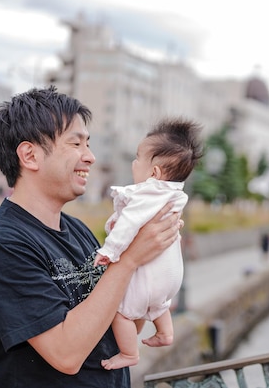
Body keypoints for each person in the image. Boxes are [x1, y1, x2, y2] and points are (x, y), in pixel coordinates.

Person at [0, 86, 181, 388]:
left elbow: (121, 322)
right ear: (30, 155)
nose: (90, 157)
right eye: (75, 143)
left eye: (88, 144)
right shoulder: (2, 242)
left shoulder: (77, 230)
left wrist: (154, 266)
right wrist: (129, 260)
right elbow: (66, 354)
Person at [94, 117, 203, 370]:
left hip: (149, 274)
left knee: (120, 311)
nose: (133, 163)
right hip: (170, 274)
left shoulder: (146, 193)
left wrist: (109, 250)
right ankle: (166, 333)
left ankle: (129, 353)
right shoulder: (175, 195)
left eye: (137, 158)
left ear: (154, 173)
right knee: (158, 303)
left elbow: (129, 223)